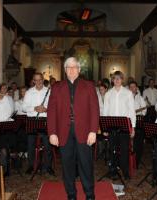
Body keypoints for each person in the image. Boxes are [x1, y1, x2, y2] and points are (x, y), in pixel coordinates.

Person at [48, 57, 99, 200]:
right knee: (67, 165)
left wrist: (93, 131)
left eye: (74, 67)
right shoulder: (57, 87)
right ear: (65, 70)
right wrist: (52, 132)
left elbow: (95, 110)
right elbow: (51, 111)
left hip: (84, 131)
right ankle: (71, 194)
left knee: (85, 164)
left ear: (79, 69)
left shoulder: (89, 86)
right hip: (63, 132)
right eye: (68, 67)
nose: (71, 69)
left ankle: (89, 194)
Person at [103, 71, 136, 180]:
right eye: (115, 78)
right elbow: (105, 111)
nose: (117, 80)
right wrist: (105, 127)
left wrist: (133, 127)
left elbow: (132, 111)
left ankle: (125, 171)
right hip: (111, 126)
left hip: (124, 126)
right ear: (112, 80)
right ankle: (112, 170)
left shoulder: (128, 93)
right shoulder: (108, 94)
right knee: (111, 149)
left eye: (119, 78)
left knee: (124, 150)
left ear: (122, 80)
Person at [23, 73, 54, 175]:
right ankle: (31, 166)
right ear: (33, 81)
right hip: (32, 120)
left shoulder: (49, 91)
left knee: (47, 144)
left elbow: (54, 107)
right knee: (31, 144)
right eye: (36, 80)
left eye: (40, 80)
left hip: (45, 120)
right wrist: (34, 108)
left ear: (42, 80)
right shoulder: (29, 92)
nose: (39, 82)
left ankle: (48, 166)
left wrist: (46, 109)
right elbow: (23, 108)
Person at [128, 81, 146, 168]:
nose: (132, 88)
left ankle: (136, 162)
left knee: (138, 144)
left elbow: (145, 111)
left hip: (138, 121)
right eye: (130, 87)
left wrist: (137, 112)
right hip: (127, 121)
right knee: (127, 143)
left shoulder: (140, 98)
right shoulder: (126, 97)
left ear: (136, 88)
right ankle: (127, 162)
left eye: (133, 87)